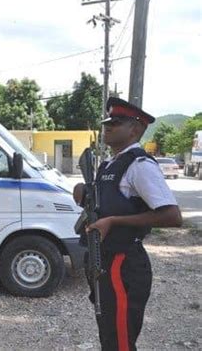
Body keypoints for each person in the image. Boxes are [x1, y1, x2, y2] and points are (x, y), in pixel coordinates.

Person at [73, 97, 182, 351]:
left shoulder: (139, 165)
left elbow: (172, 216)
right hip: (104, 260)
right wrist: (83, 194)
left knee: (120, 342)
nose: (108, 127)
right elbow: (106, 205)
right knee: (109, 336)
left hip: (123, 264)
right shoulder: (109, 164)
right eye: (107, 122)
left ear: (135, 129)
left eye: (116, 122)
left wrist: (114, 221)